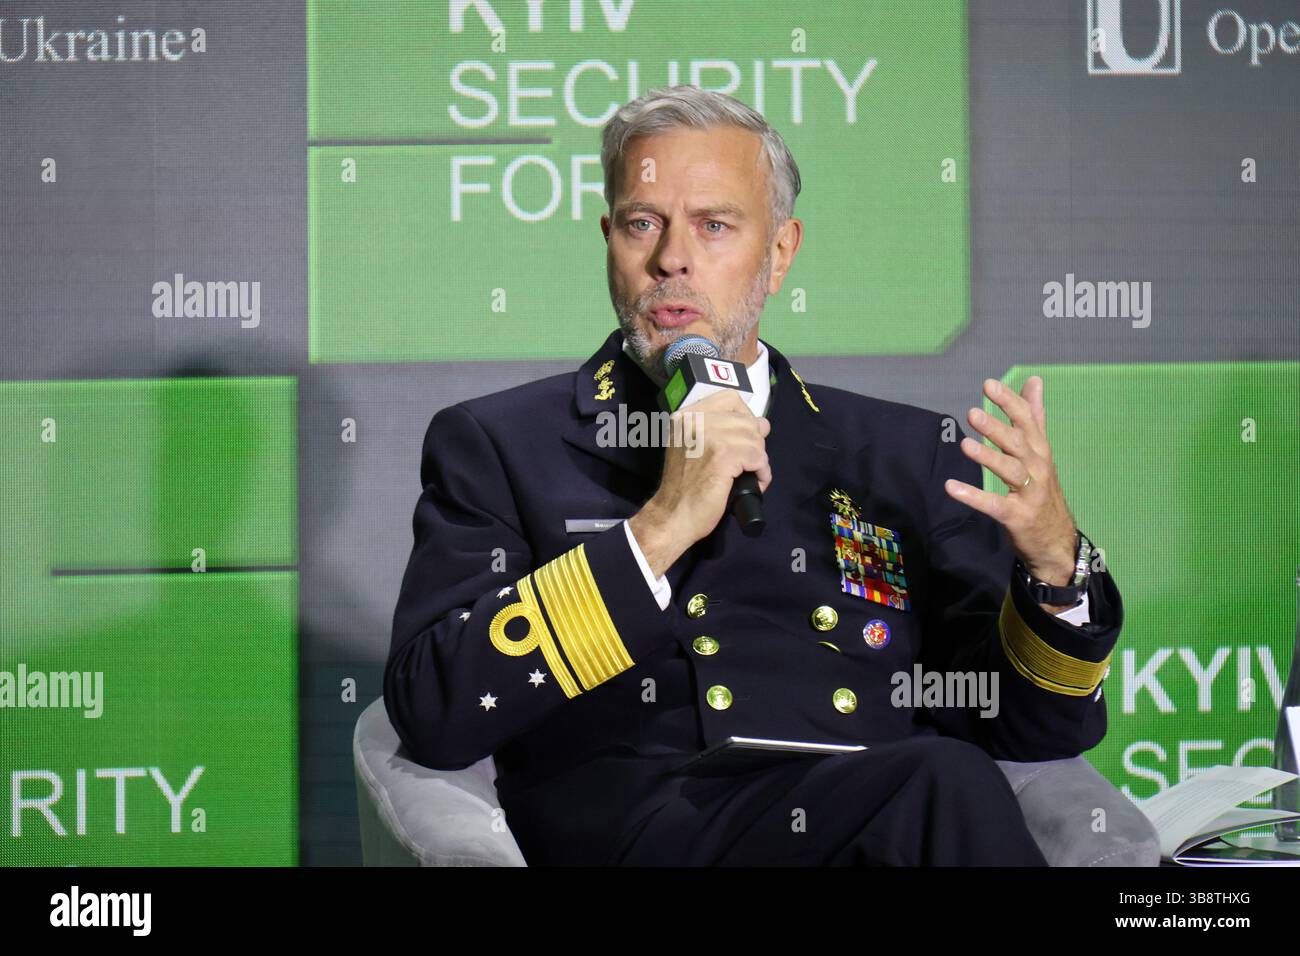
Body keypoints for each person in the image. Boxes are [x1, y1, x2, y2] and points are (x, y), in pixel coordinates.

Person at [384, 85, 1122, 866]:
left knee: (953, 785)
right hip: (643, 836)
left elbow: (1039, 729)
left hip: (871, 825)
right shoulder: (504, 442)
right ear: (608, 238)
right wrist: (659, 528)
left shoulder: (902, 451)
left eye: (714, 225)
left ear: (779, 252)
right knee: (940, 783)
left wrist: (1054, 566)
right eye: (642, 223)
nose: (672, 258)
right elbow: (433, 712)